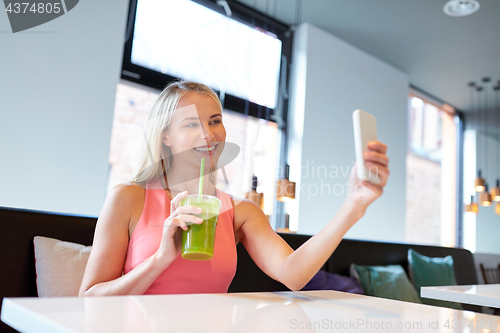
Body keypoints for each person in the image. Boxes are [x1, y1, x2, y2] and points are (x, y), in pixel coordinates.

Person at [79, 81, 390, 296]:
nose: (209, 134)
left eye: (215, 121)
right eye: (190, 124)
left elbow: (294, 275)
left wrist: (354, 205)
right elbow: (90, 299)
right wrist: (161, 257)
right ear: (165, 137)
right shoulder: (128, 198)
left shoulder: (240, 212)